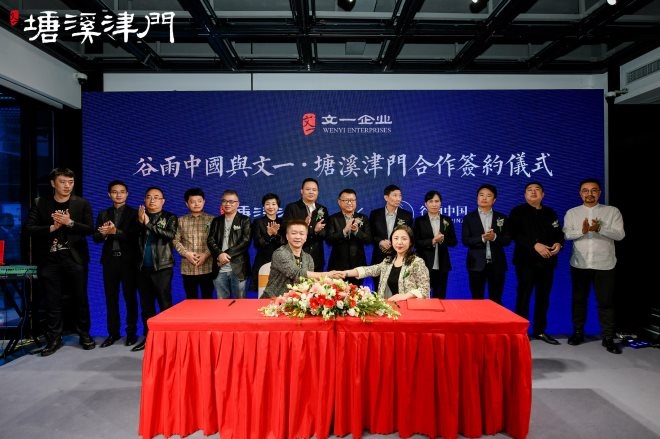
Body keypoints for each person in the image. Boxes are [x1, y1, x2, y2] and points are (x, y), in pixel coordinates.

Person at [26, 167, 96, 356]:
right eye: (63, 182)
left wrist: (69, 223)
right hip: (49, 260)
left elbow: (90, 229)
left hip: (75, 259)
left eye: (70, 182)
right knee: (52, 301)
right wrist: (51, 227)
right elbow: (29, 229)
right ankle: (54, 339)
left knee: (80, 299)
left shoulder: (82, 203)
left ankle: (84, 335)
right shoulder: (40, 203)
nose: (67, 186)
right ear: (53, 183)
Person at [563, 178, 625, 354]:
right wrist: (582, 231)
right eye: (585, 190)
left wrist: (600, 229)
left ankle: (608, 338)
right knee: (579, 300)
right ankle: (578, 333)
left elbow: (620, 235)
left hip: (605, 264)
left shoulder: (612, 211)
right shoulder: (572, 213)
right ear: (580, 193)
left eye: (594, 190)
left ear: (599, 193)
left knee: (606, 302)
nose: (589, 194)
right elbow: (566, 235)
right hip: (580, 263)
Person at [508, 182, 564, 345]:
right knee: (523, 296)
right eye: (529, 190)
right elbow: (514, 234)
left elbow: (558, 233)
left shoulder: (550, 212)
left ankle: (540, 331)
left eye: (537, 190)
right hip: (525, 262)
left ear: (543, 194)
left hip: (547, 262)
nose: (533, 192)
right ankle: (520, 332)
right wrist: (534, 244)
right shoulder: (518, 211)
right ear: (525, 195)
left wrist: (559, 244)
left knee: (543, 297)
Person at [92, 180, 140, 348]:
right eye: (114, 192)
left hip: (128, 262)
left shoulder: (134, 214)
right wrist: (104, 234)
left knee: (130, 298)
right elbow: (95, 238)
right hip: (109, 261)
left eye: (122, 191)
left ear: (127, 194)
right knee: (110, 299)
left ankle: (131, 333)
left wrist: (116, 232)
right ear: (109, 194)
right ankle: (113, 334)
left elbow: (135, 237)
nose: (118, 195)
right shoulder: (103, 214)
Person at [132, 186, 178, 352]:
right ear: (145, 200)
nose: (152, 200)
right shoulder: (138, 217)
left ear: (162, 201)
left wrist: (148, 223)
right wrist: (140, 222)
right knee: (146, 306)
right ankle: (149, 338)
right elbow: (130, 238)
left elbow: (169, 235)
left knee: (165, 304)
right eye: (149, 197)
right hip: (142, 268)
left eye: (156, 197)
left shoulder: (170, 217)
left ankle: (168, 340)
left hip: (162, 268)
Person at [342, 224, 430, 301]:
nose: (399, 242)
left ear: (410, 242)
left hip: (408, 309)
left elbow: (424, 289)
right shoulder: (388, 261)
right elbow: (369, 270)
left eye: (404, 239)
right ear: (391, 241)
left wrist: (405, 296)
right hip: (388, 307)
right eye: (396, 238)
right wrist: (344, 273)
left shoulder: (417, 262)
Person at [262, 219, 343, 298]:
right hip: (272, 300)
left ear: (306, 237)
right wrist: (328, 274)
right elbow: (297, 274)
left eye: (301, 234)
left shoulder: (308, 258)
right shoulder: (280, 253)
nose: (298, 237)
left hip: (296, 302)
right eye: (294, 233)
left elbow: (309, 281)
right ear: (287, 236)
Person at [461, 184, 512, 304]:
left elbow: (507, 239)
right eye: (481, 195)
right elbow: (465, 240)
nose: (484, 198)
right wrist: (482, 238)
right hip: (476, 265)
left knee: (496, 299)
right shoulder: (469, 218)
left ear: (494, 200)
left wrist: (494, 237)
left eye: (488, 195)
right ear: (477, 198)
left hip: (497, 264)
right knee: (476, 299)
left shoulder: (502, 217)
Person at [207, 190, 251, 299]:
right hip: (219, 269)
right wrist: (219, 254)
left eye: (231, 201)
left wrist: (225, 255)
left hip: (238, 268)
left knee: (240, 302)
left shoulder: (245, 220)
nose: (227, 204)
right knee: (221, 301)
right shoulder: (216, 221)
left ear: (237, 204)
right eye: (224, 201)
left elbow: (245, 241)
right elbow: (210, 240)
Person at [413, 190, 457, 299]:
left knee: (440, 297)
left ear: (440, 203)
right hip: (424, 264)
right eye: (431, 201)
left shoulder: (447, 220)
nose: (434, 204)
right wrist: (432, 241)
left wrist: (442, 240)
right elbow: (415, 242)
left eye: (437, 201)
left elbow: (454, 241)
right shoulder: (419, 221)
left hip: (442, 265)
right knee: (422, 297)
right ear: (425, 204)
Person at [173, 188, 215, 299]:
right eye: (192, 201)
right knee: (191, 299)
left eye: (199, 201)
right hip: (188, 267)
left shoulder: (212, 220)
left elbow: (216, 240)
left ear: (204, 202)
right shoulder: (180, 221)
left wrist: (206, 254)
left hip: (207, 266)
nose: (196, 204)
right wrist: (186, 254)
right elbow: (175, 240)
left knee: (208, 299)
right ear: (187, 204)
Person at [369, 184, 413, 288]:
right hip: (379, 257)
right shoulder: (375, 214)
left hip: (399, 257)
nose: (398, 199)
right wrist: (380, 241)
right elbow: (370, 234)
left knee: (397, 288)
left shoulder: (406, 215)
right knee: (378, 289)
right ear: (386, 197)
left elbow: (410, 237)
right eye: (395, 195)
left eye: (400, 196)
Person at [325, 189, 372, 286]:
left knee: (357, 293)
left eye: (352, 200)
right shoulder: (333, 218)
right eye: (346, 200)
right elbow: (329, 239)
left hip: (358, 265)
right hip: (337, 264)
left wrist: (357, 232)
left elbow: (368, 239)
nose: (349, 203)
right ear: (339, 202)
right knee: (337, 292)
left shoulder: (364, 218)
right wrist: (344, 231)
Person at [282, 178, 328, 271]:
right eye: (308, 189)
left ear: (317, 192)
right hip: (296, 256)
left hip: (316, 258)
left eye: (314, 190)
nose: (311, 192)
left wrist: (316, 231)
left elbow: (325, 233)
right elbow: (285, 229)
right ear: (302, 191)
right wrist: (304, 226)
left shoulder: (322, 209)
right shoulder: (292, 207)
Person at [249, 193, 285, 292]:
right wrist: (268, 234)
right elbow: (257, 243)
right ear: (263, 206)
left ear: (278, 206)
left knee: (281, 292)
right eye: (267, 204)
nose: (270, 207)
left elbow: (285, 243)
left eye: (273, 204)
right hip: (263, 261)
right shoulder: (258, 222)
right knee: (263, 292)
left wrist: (276, 234)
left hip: (281, 262)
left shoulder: (283, 222)